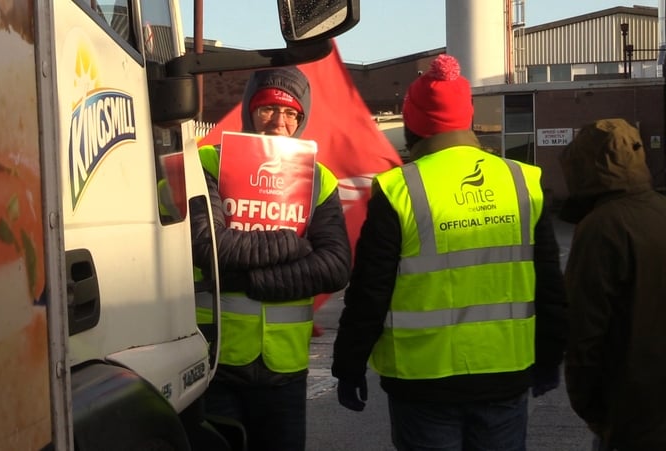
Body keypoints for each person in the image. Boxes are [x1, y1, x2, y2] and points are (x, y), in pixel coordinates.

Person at [331, 54, 568, 450]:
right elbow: (549, 283)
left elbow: (371, 290)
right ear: (467, 119)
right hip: (505, 372)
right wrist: (549, 355)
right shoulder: (522, 181)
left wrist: (349, 365)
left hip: (422, 379)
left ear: (413, 124)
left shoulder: (399, 188)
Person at [190, 66, 351, 451]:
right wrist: (294, 244)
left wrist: (249, 280)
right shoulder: (205, 163)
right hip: (216, 359)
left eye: (291, 113)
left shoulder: (320, 179)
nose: (279, 122)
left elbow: (335, 267)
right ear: (249, 110)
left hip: (285, 368)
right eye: (268, 109)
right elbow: (209, 246)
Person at [559, 118, 666, 451]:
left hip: (631, 411)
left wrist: (592, 409)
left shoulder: (600, 228)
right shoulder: (660, 209)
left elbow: (583, 330)